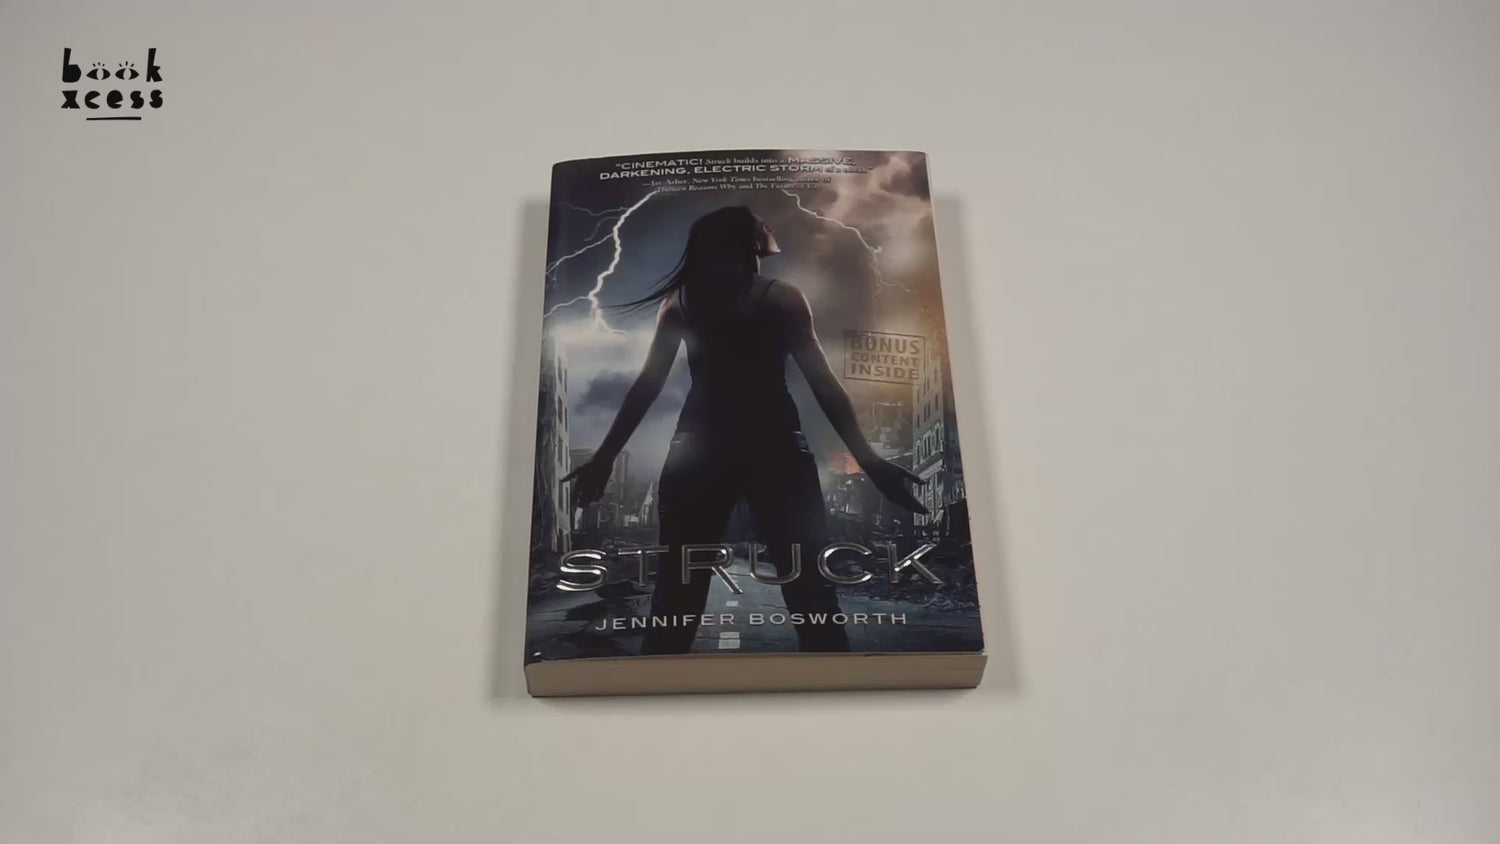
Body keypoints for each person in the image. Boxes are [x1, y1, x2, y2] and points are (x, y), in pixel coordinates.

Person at [564, 205, 925, 654]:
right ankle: (833, 678)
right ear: (749, 241)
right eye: (760, 223)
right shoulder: (780, 297)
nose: (769, 226)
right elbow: (824, 385)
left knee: (676, 595)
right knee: (811, 590)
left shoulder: (680, 302)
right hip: (774, 447)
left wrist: (604, 457)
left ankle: (656, 681)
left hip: (696, 449)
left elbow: (646, 387)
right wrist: (870, 462)